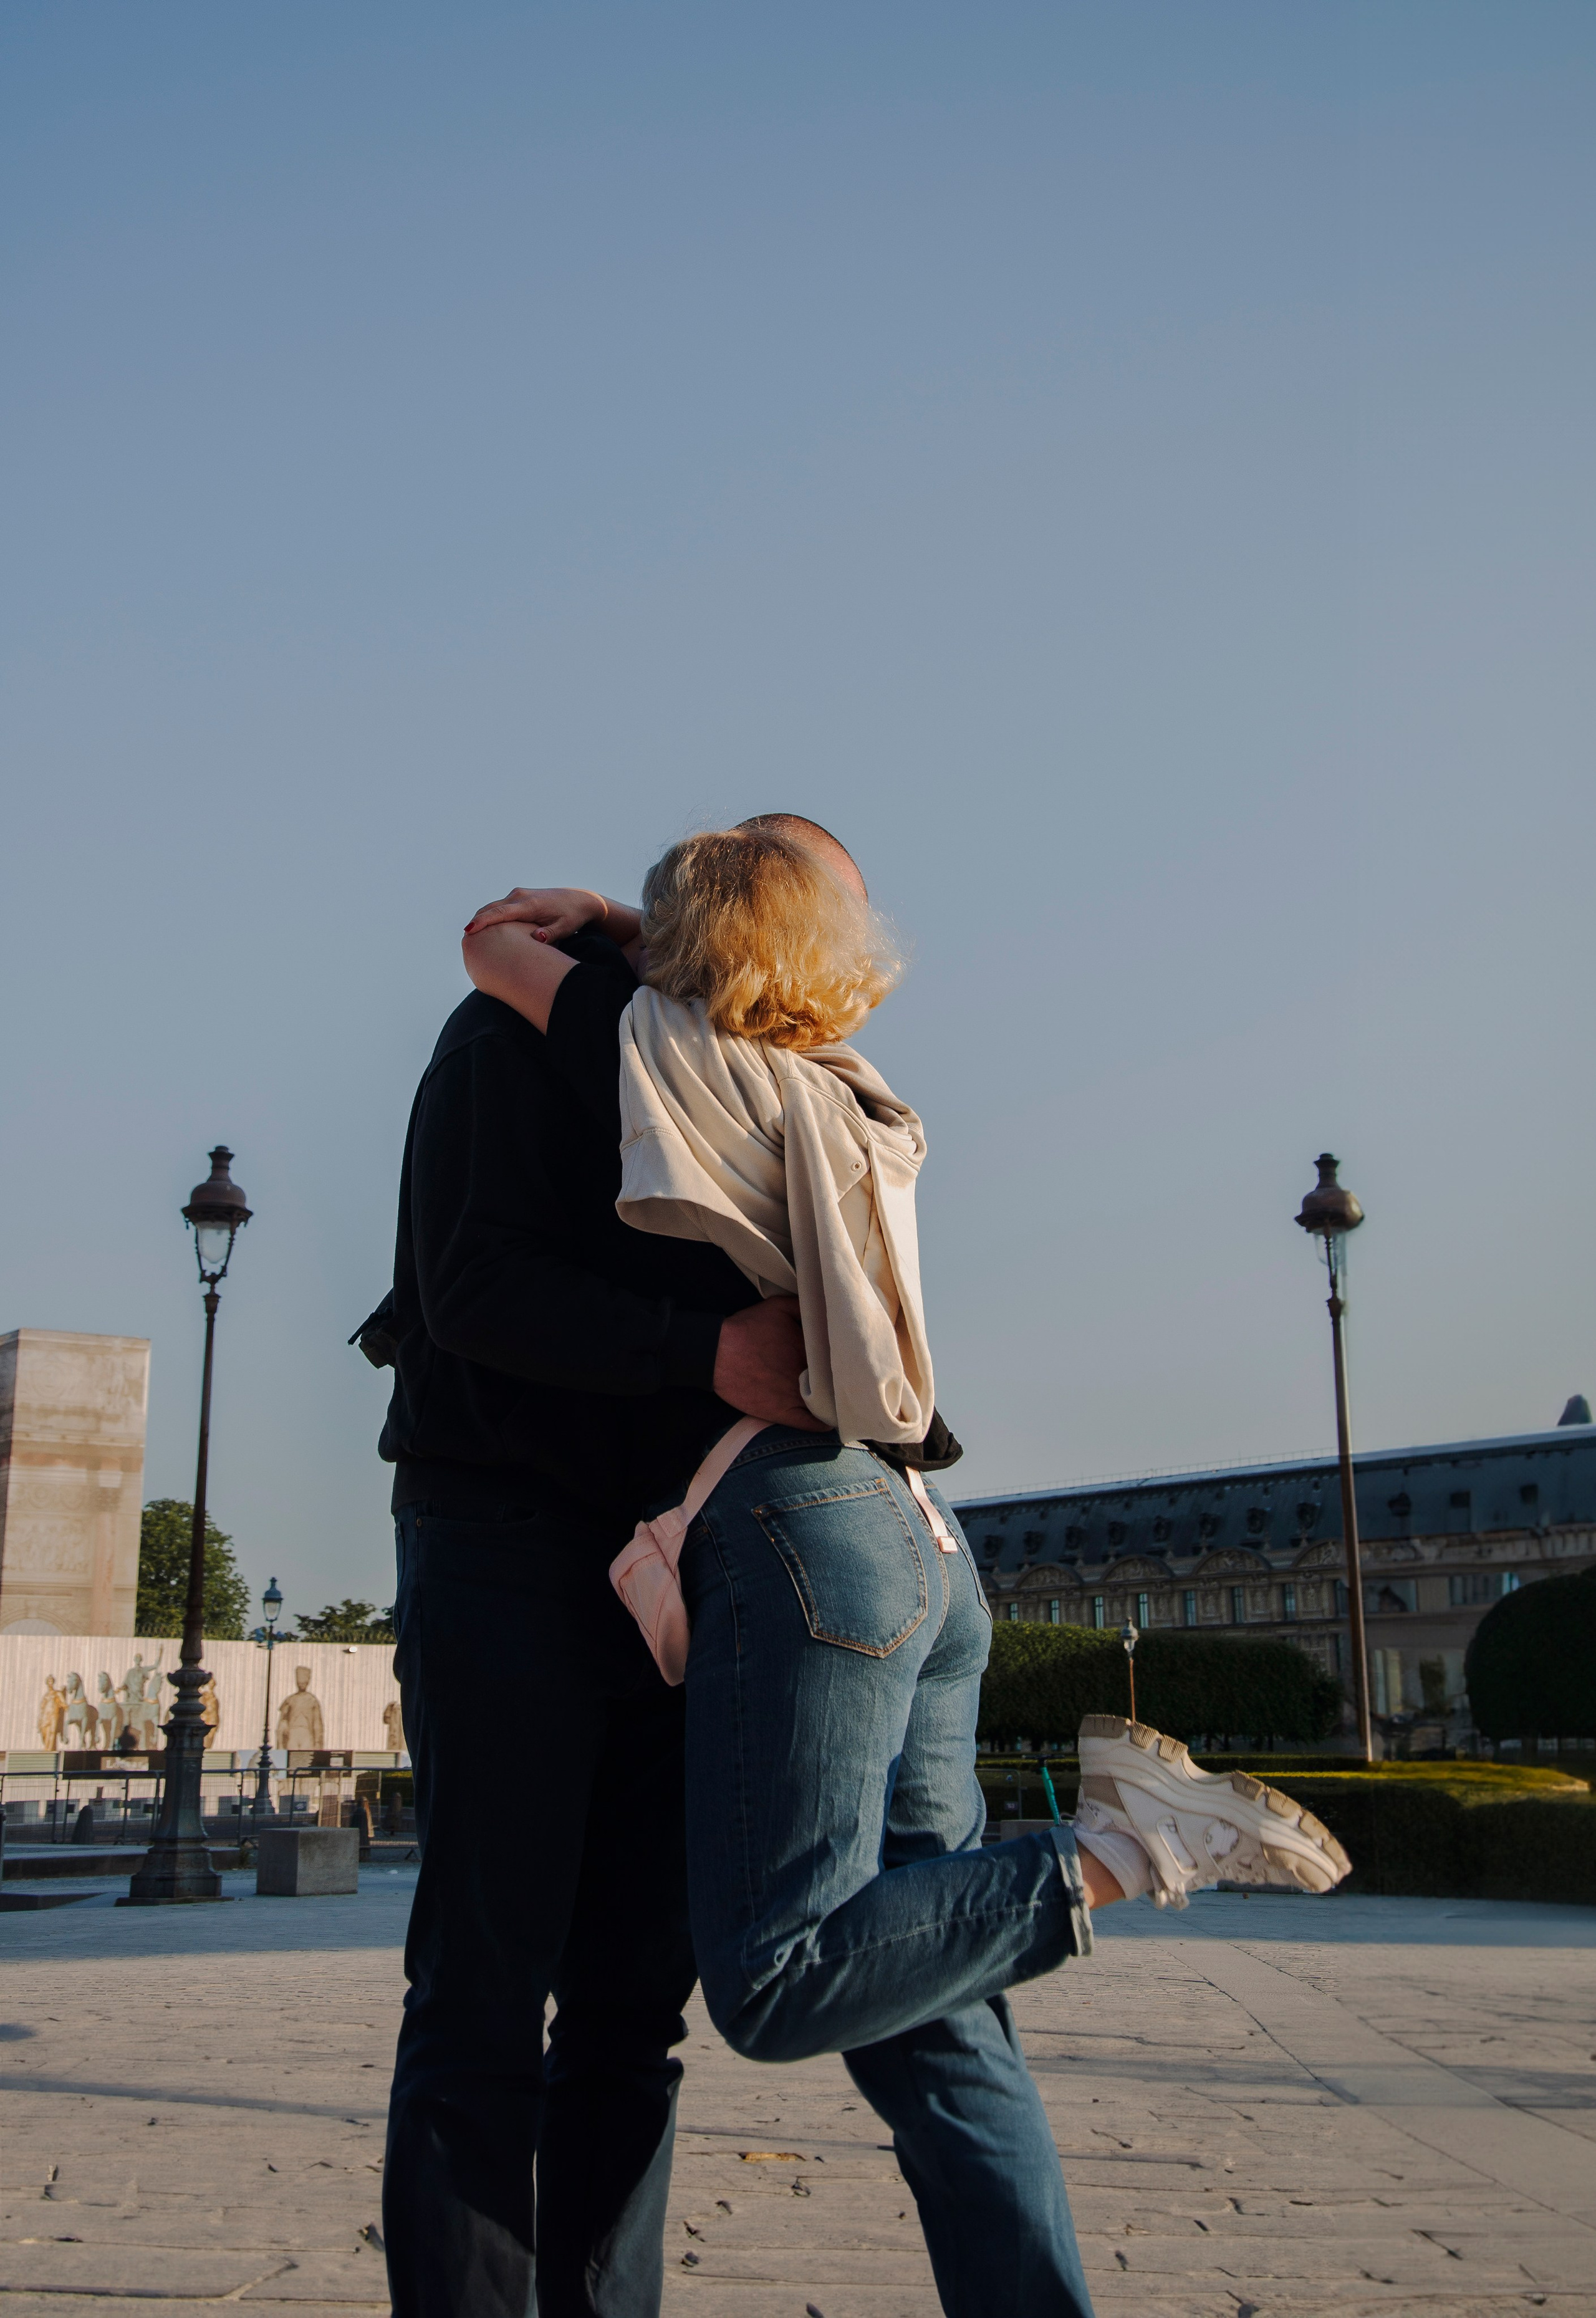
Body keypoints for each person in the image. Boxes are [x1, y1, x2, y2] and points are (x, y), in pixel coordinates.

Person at [462, 819, 1350, 2318]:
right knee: (939, 2021)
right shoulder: (858, 1097)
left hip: (799, 1536)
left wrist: (609, 921)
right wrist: (649, 915)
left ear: (678, 951)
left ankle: (1126, 1845)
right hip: (926, 1544)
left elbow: (489, 944)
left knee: (776, 1975)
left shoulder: (662, 1044)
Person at [375, 860, 829, 2318]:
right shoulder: (507, 1038)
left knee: (635, 2000)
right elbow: (469, 1285)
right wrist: (699, 1357)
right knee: (483, 1991)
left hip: (664, 1551)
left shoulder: (737, 1079)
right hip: (499, 1527)